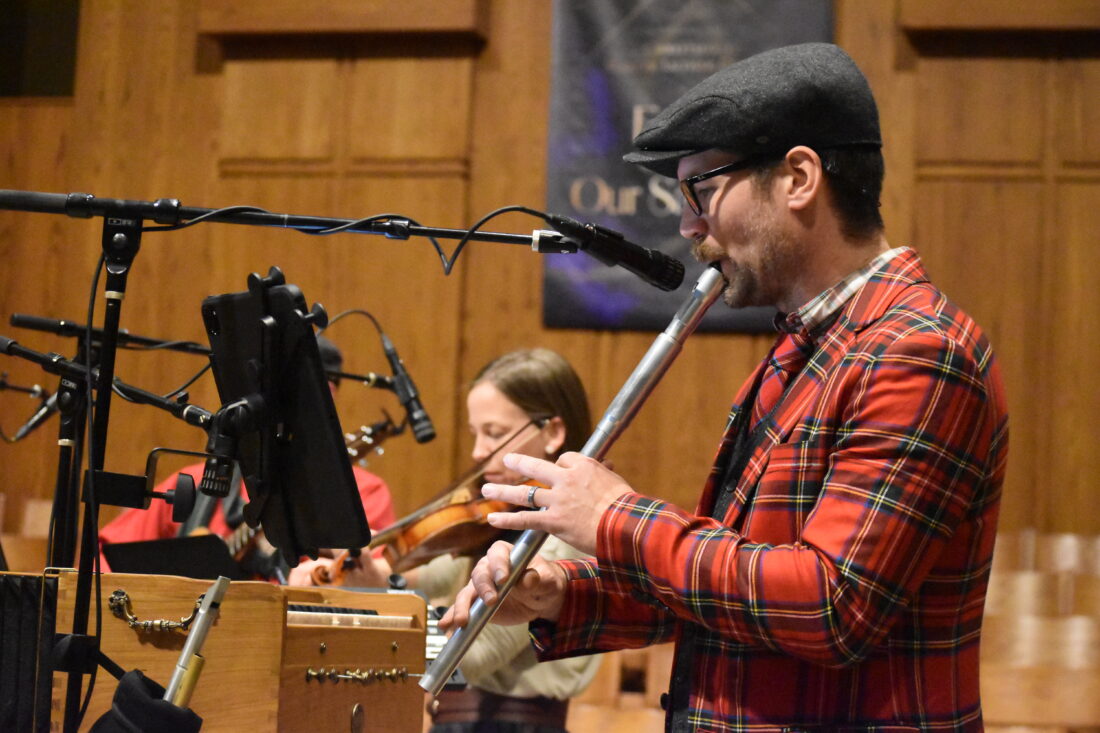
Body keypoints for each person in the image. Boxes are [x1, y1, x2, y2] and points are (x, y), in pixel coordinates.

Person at [443, 43, 1009, 731]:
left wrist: (616, 518)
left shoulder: (918, 351)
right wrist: (559, 591)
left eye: (703, 191)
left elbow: (831, 607)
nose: (688, 226)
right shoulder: (802, 350)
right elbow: (726, 586)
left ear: (798, 177)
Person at [291, 348, 602, 733]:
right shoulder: (503, 517)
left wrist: (373, 605)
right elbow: (436, 572)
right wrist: (365, 572)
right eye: (476, 434)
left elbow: (473, 655)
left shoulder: (560, 530)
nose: (478, 451)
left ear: (553, 432)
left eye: (495, 434)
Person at [98, 335, 397, 579]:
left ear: (325, 394)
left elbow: (377, 581)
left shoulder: (363, 493)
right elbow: (102, 557)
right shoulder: (196, 481)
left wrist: (343, 573)